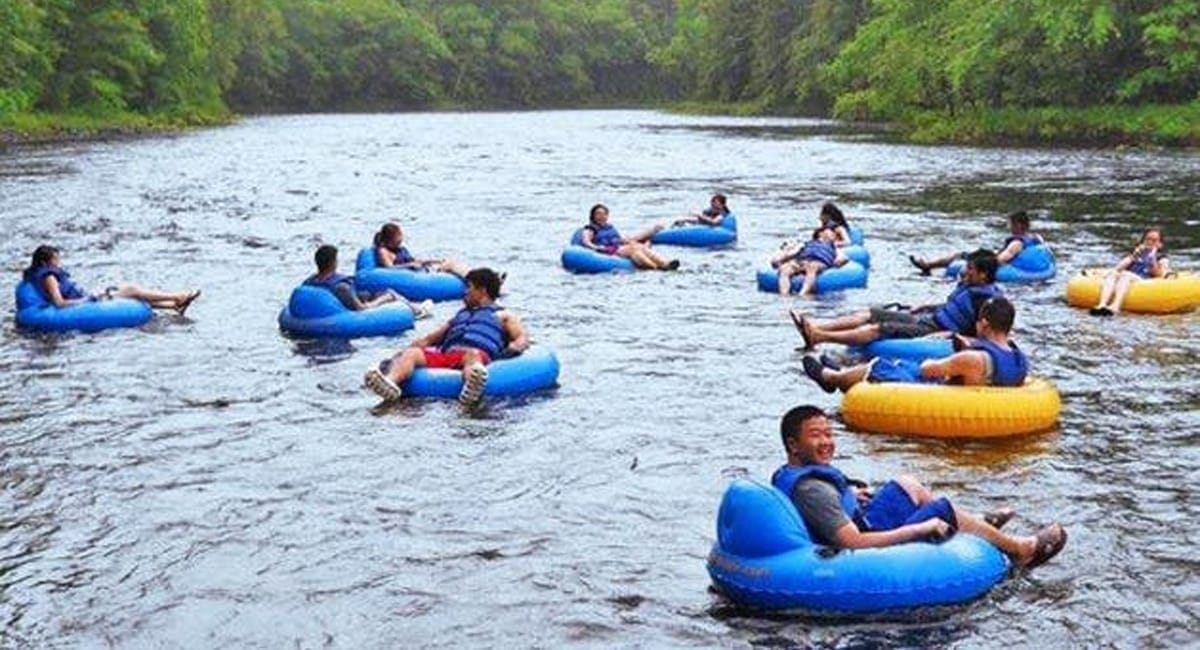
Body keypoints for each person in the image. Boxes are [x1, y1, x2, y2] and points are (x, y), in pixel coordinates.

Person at [774, 405, 1067, 567]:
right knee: (942, 509)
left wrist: (848, 494)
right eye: (816, 436)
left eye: (828, 433)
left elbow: (827, 505)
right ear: (793, 445)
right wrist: (919, 528)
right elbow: (853, 543)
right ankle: (1019, 549)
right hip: (864, 544)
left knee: (907, 483)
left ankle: (974, 524)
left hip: (859, 519)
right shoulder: (811, 490)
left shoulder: (797, 473)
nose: (827, 442)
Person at [363, 267, 528, 408]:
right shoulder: (459, 317)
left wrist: (513, 349)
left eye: (469, 287)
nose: (465, 292)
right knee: (413, 353)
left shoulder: (503, 315)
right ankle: (389, 383)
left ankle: (472, 386)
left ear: (482, 291)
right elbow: (427, 340)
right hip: (447, 354)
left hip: (474, 354)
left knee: (473, 356)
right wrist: (396, 357)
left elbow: (522, 337)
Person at [801, 297, 1027, 393]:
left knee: (886, 365)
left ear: (984, 323)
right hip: (978, 391)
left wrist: (938, 358)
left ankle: (832, 378)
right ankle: (842, 373)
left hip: (948, 395)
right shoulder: (1019, 358)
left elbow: (928, 369)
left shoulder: (974, 358)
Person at [791, 249, 1002, 350]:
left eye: (971, 269)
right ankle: (818, 326)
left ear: (983, 274)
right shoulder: (969, 285)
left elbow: (981, 332)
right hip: (929, 319)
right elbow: (954, 306)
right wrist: (926, 306)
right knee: (870, 313)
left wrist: (950, 334)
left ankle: (820, 337)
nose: (966, 271)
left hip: (936, 331)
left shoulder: (987, 302)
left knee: (878, 328)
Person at [22, 245, 200, 314]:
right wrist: (87, 300)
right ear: (46, 261)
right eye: (56, 259)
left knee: (130, 294)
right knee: (132, 290)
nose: (58, 262)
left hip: (85, 299)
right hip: (84, 303)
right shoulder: (50, 277)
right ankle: (177, 297)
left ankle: (172, 305)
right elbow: (60, 303)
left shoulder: (39, 274)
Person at [306, 244, 431, 318]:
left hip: (348, 301)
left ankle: (415, 308)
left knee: (373, 293)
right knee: (389, 293)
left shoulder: (311, 281)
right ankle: (417, 311)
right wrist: (381, 301)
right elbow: (360, 309)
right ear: (333, 263)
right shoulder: (341, 287)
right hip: (355, 306)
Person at [909, 210, 1044, 275]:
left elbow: (1001, 260)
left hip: (994, 263)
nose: (1009, 227)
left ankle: (928, 265)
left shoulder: (1016, 243)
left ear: (1018, 225)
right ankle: (929, 265)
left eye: (1011, 224)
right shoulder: (1035, 237)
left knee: (960, 255)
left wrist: (982, 262)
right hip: (1015, 263)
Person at [1090, 227, 1169, 316]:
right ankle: (1102, 304)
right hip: (1129, 278)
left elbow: (1160, 275)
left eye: (1154, 241)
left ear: (1160, 244)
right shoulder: (1137, 253)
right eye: (1147, 239)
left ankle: (1116, 306)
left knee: (1126, 275)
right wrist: (1134, 256)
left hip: (1144, 281)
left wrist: (1153, 257)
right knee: (1113, 274)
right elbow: (1118, 268)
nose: (1150, 242)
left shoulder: (1162, 258)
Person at [579, 204, 678, 271]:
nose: (601, 216)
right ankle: (655, 267)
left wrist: (630, 241)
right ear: (593, 216)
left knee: (639, 246)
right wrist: (596, 248)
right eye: (598, 214)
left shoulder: (609, 227)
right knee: (633, 249)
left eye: (604, 214)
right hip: (607, 250)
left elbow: (619, 239)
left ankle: (665, 264)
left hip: (618, 247)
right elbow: (586, 241)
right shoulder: (591, 229)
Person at [372, 222, 471, 280]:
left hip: (421, 272)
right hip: (417, 276)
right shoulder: (384, 251)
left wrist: (434, 261)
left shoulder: (399, 249)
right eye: (399, 235)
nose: (401, 238)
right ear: (390, 238)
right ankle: (474, 280)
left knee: (448, 262)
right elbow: (389, 269)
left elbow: (416, 261)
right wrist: (409, 265)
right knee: (451, 265)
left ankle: (472, 279)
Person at [769, 227, 849, 296]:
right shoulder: (806, 243)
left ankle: (802, 294)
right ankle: (784, 295)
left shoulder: (833, 247)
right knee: (784, 269)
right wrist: (784, 257)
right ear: (821, 233)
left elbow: (843, 258)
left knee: (812, 267)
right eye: (830, 232)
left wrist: (833, 263)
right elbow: (789, 254)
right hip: (801, 260)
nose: (833, 234)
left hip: (818, 261)